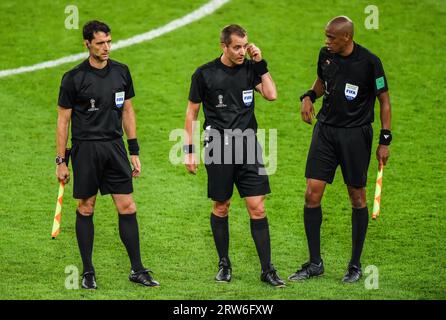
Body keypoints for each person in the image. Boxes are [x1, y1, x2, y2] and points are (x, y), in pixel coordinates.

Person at [56, 20, 159, 289]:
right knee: (86, 207)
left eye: (109, 41)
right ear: (87, 44)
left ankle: (137, 269)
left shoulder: (121, 72)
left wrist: (133, 150)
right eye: (100, 43)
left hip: (115, 147)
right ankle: (88, 271)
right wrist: (60, 161)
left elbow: (127, 111)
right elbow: (63, 121)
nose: (106, 47)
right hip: (86, 149)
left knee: (127, 206)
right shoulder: (73, 78)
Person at [288, 16, 392, 283]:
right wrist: (309, 96)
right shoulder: (326, 55)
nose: (327, 41)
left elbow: (384, 101)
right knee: (312, 193)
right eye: (326, 36)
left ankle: (355, 265)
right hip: (325, 131)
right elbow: (322, 82)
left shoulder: (370, 63)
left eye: (331, 37)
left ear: (347, 37)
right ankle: (314, 263)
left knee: (357, 197)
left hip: (356, 135)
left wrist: (384, 140)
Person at [183, 24, 285, 287]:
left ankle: (267, 269)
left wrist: (260, 63)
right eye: (237, 47)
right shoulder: (204, 74)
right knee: (221, 206)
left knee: (258, 208)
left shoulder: (251, 69)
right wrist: (189, 150)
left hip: (248, 145)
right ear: (224, 47)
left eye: (245, 46)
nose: (242, 52)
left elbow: (272, 95)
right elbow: (191, 113)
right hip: (217, 146)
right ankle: (224, 263)